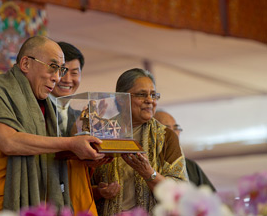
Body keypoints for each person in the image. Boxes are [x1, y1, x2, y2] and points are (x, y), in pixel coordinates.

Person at [0, 36, 105, 211]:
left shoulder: (46, 106)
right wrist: (70, 143)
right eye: (53, 67)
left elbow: (46, 150)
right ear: (25, 64)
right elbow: (9, 142)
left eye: (60, 70)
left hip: (30, 201)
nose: (57, 78)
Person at [92, 68, 188, 215]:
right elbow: (78, 184)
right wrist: (99, 192)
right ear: (120, 99)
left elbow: (180, 191)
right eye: (142, 95)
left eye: (153, 95)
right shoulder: (100, 134)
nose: (150, 100)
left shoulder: (165, 137)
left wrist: (149, 173)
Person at [49, 42, 111, 216]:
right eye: (62, 71)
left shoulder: (80, 115)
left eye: (74, 73)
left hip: (76, 198)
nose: (68, 79)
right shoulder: (36, 110)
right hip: (46, 194)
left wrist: (93, 160)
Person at [154, 110, 216, 192]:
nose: (173, 133)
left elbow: (211, 197)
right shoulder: (146, 163)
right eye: (167, 128)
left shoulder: (190, 166)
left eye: (176, 128)